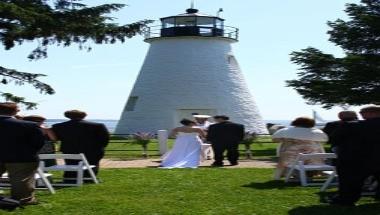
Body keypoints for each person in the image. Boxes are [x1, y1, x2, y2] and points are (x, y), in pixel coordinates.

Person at [326, 106, 380, 206]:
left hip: (354, 158)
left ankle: (346, 200)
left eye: (362, 112)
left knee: (350, 182)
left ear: (371, 113)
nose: (360, 114)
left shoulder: (351, 126)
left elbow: (334, 139)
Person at [0, 103, 45, 205]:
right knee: (21, 180)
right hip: (22, 156)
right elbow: (38, 142)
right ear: (15, 111)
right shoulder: (29, 125)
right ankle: (23, 199)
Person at [52, 110, 109, 180]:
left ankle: (70, 178)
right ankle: (89, 178)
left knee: (71, 164)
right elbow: (105, 139)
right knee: (92, 164)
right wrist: (99, 147)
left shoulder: (58, 126)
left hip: (69, 150)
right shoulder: (98, 126)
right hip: (93, 150)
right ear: (84, 115)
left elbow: (55, 138)